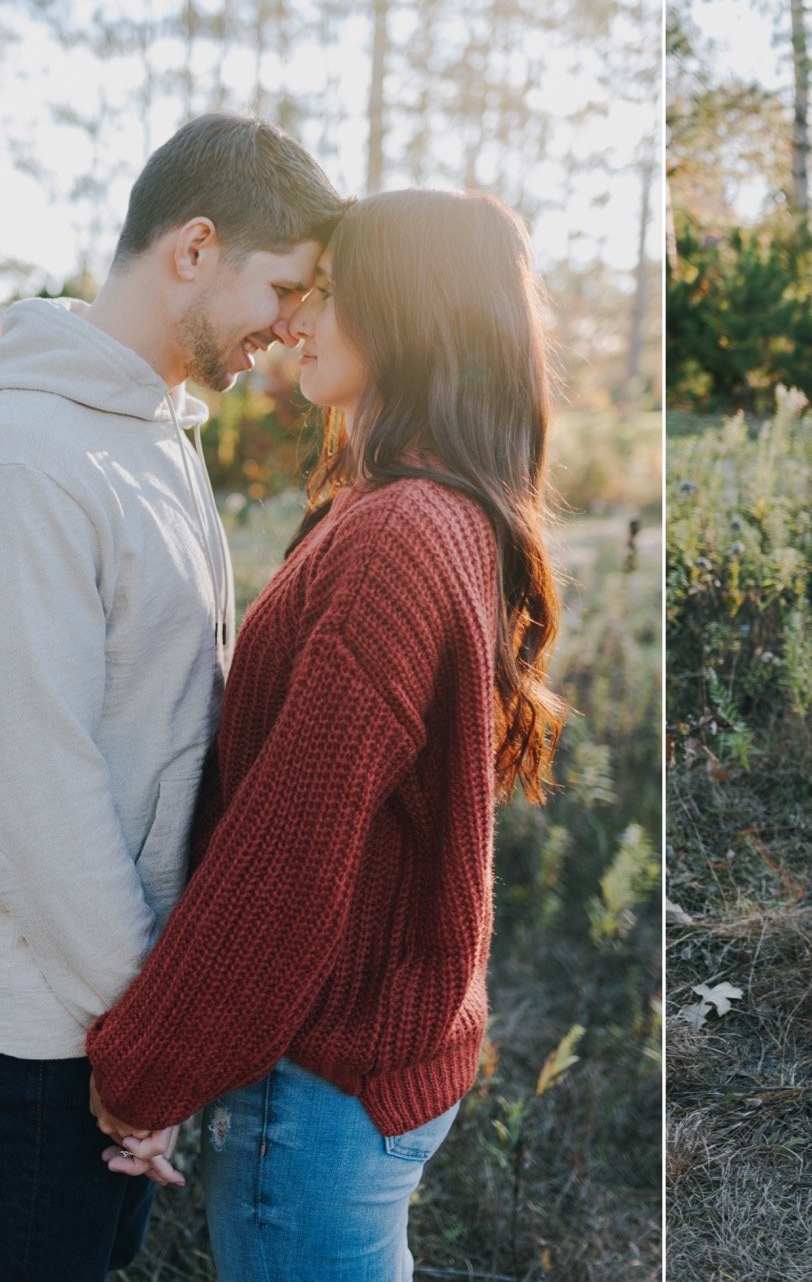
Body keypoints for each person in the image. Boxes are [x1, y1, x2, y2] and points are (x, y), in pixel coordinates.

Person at [83, 189, 565, 1281]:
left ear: (411, 312)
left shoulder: (400, 529)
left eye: (328, 293)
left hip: (321, 1093)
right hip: (371, 1072)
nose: (294, 318)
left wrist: (147, 1070)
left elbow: (289, 856)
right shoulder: (429, 506)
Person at [0, 112, 341, 1280]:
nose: (294, 327)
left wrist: (159, 1030)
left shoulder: (153, 429)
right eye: (287, 286)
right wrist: (144, 1039)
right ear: (196, 248)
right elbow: (32, 789)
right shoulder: (23, 463)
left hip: (123, 1014)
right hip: (51, 1028)